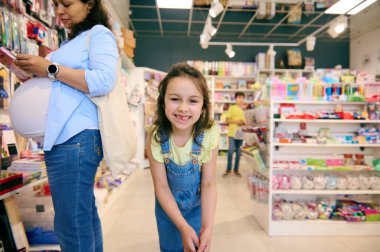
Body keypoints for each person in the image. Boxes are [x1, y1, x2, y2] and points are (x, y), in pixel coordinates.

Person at [14, 0, 118, 251]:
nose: (60, 11)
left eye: (67, 4)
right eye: (56, 4)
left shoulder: (99, 35)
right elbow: (61, 80)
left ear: (89, 4)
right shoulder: (71, 42)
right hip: (67, 138)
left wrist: (48, 68)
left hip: (76, 138)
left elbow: (104, 80)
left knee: (71, 223)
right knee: (81, 216)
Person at [146, 63, 219, 252]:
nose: (183, 108)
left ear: (203, 106)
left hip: (197, 212)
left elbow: (209, 183)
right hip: (168, 214)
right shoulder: (155, 137)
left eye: (193, 101)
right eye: (175, 99)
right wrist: (182, 227)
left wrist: (208, 227)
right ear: (163, 102)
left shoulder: (209, 133)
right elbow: (161, 187)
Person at [223, 92, 246, 177]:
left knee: (238, 153)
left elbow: (244, 122)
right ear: (236, 99)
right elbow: (227, 120)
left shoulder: (244, 110)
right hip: (232, 134)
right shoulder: (232, 108)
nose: (241, 99)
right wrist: (237, 121)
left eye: (242, 98)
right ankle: (228, 169)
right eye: (239, 97)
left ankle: (236, 169)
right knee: (230, 151)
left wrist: (242, 123)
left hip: (240, 134)